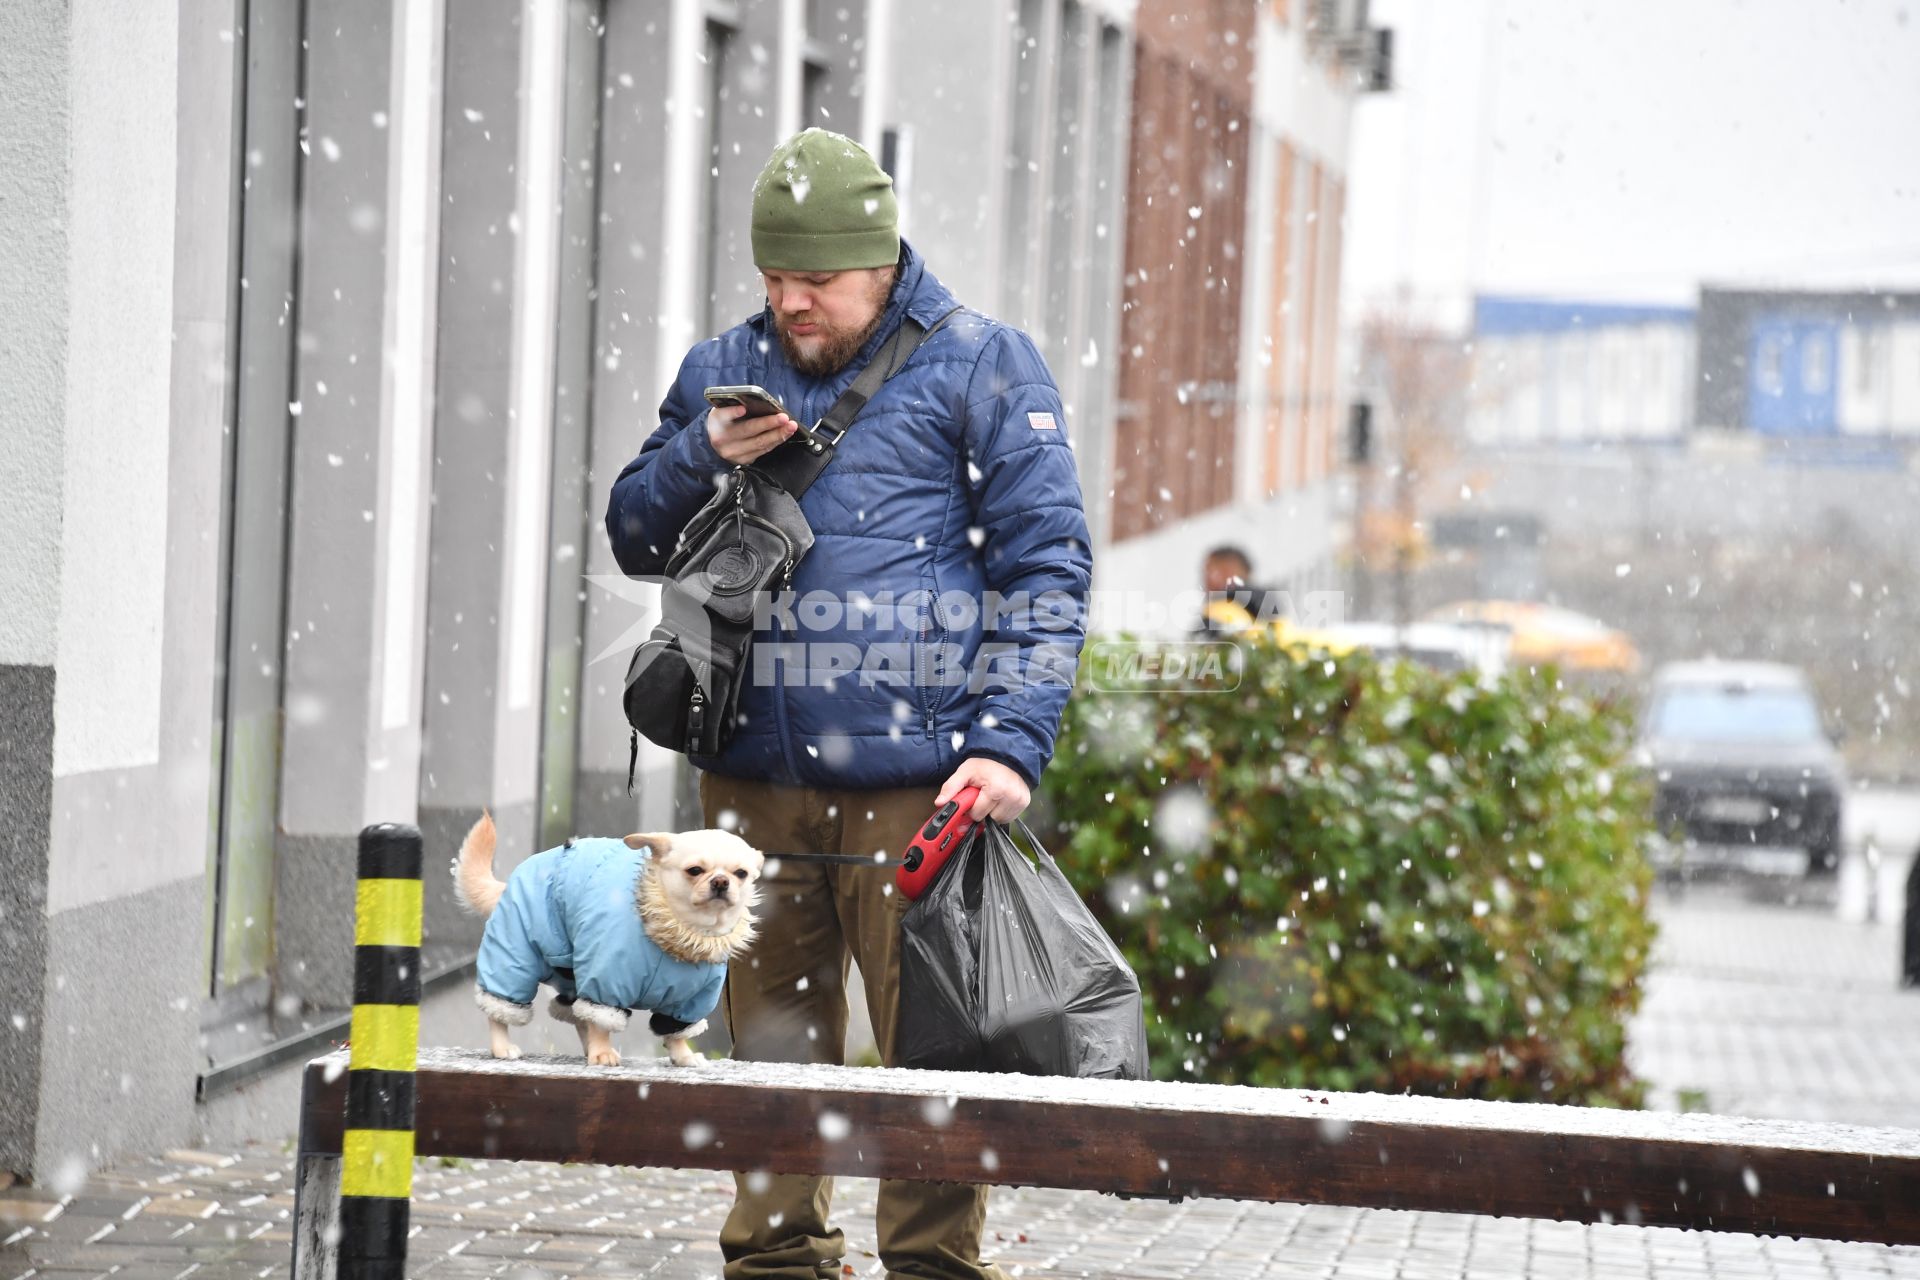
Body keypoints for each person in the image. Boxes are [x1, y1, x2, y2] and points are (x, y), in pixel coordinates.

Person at [605, 128, 1091, 1280]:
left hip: (917, 788)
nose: (790, 302)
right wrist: (701, 458)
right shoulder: (724, 365)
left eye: (815, 279)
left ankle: (930, 1269)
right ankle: (777, 1266)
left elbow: (1047, 569)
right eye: (774, 277)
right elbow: (634, 532)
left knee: (931, 1060)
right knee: (772, 1058)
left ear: (881, 264)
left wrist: (1010, 740)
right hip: (749, 789)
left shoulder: (982, 365)